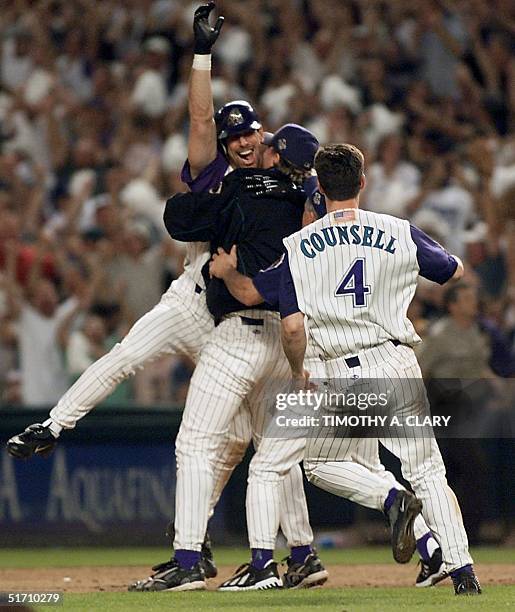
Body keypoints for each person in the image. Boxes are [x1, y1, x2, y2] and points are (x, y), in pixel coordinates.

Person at [7, 2, 324, 592]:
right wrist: (200, 57)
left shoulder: (284, 185)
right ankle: (53, 426)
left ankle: (280, 550)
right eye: (236, 136)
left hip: (235, 315)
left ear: (265, 134)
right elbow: (201, 121)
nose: (244, 140)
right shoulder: (216, 172)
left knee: (250, 437)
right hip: (193, 296)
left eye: (251, 130)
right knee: (128, 357)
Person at [275, 143, 481, 596]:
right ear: (362, 182)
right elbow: (454, 271)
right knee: (427, 470)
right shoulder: (397, 229)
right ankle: (463, 572)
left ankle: (388, 498)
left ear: (321, 189)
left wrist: (296, 372)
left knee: (320, 464)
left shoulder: (294, 248)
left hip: (337, 369)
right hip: (393, 360)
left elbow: (292, 329)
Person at [131, 123, 327, 593]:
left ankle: (188, 559)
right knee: (275, 455)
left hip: (241, 333)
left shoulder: (242, 189)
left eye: (266, 145)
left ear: (275, 154)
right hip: (288, 341)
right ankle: (301, 554)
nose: (256, 147)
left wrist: (205, 195)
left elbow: (179, 219)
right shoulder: (308, 202)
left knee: (196, 443)